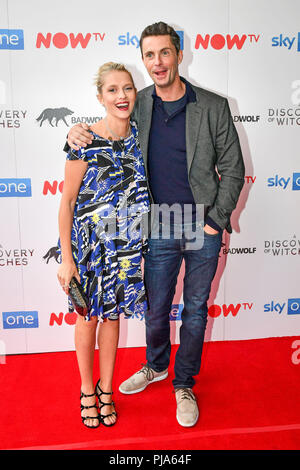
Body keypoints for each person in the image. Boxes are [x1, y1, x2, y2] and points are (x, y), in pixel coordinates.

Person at [66, 22, 245, 428]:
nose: (158, 63)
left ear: (180, 54)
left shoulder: (214, 106)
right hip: (157, 225)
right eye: (150, 55)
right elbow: (106, 128)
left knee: (196, 311)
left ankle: (183, 383)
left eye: (165, 53)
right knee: (156, 308)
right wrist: (76, 131)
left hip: (203, 225)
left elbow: (233, 169)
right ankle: (156, 366)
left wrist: (216, 220)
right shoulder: (139, 102)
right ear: (144, 60)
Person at [57, 62, 150, 429]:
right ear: (100, 97)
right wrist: (67, 259)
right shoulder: (82, 142)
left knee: (112, 319)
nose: (121, 96)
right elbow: (66, 202)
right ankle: (86, 390)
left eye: (127, 88)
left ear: (134, 94)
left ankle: (107, 389)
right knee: (87, 319)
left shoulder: (141, 138)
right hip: (89, 249)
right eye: (112, 90)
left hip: (126, 250)